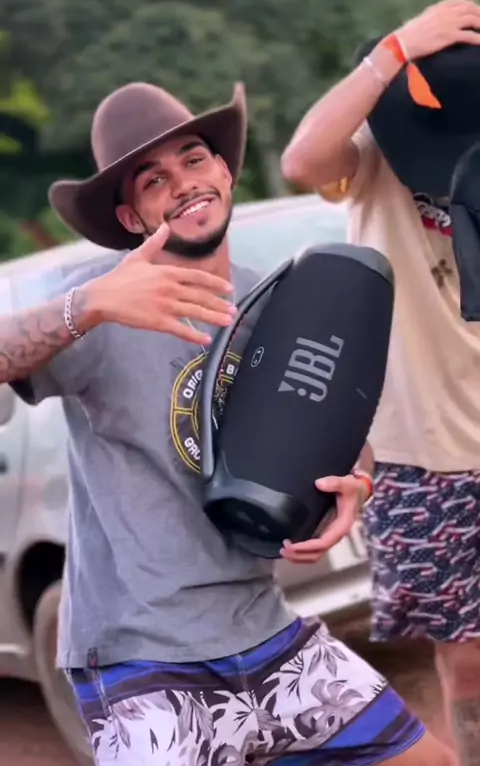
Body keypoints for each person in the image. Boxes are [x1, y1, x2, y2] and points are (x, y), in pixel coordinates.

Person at [0, 81, 453, 766]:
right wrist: (86, 307)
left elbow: (329, 427)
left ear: (224, 171)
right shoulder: (97, 301)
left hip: (265, 630)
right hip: (143, 658)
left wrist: (352, 484)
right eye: (153, 180)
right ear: (130, 216)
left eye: (194, 159)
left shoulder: (275, 299)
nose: (183, 183)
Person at [281, 0, 480, 766]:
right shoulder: (372, 154)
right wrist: (395, 50)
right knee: (466, 662)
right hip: (419, 455)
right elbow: (302, 162)